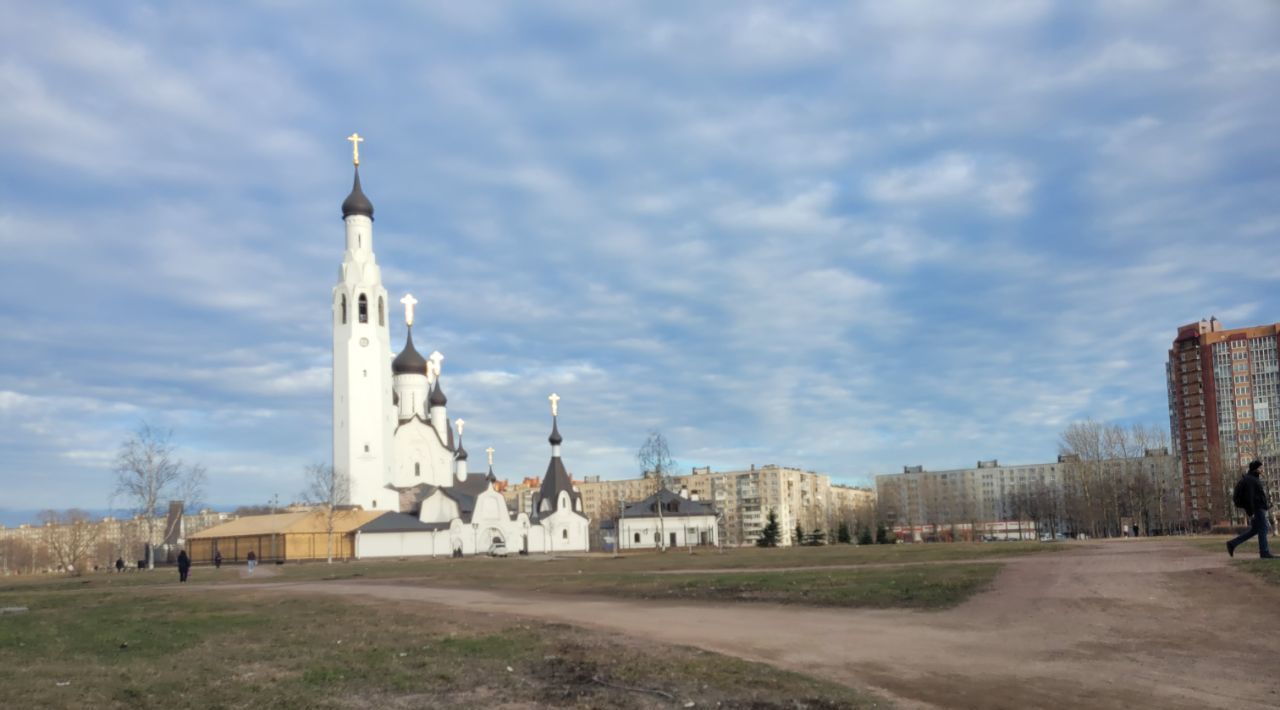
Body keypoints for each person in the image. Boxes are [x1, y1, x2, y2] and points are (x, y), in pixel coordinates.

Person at [1228, 460, 1275, 559]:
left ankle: (1232, 544)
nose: (1263, 469)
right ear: (1256, 469)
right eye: (1261, 468)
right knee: (1263, 528)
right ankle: (1264, 552)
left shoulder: (1253, 479)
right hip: (1257, 509)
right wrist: (1251, 513)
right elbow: (1249, 497)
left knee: (1255, 530)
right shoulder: (1251, 480)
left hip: (1259, 508)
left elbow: (1257, 496)